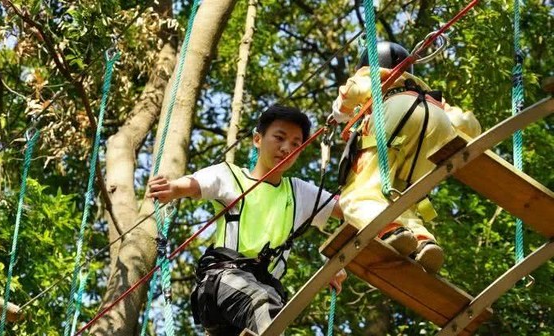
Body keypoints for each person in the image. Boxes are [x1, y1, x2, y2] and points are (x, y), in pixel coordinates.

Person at [147, 105, 347, 335]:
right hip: (222, 284)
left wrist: (340, 260)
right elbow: (195, 184)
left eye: (295, 144)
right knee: (263, 303)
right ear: (257, 139)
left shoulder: (298, 192)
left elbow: (348, 208)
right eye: (279, 138)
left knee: (270, 305)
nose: (286, 149)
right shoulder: (231, 177)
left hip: (260, 294)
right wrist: (172, 188)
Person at [332, 41, 481, 274]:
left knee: (358, 195)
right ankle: (423, 240)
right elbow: (468, 124)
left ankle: (389, 228)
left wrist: (339, 112)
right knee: (405, 198)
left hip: (395, 113)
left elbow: (351, 92)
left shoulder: (377, 77)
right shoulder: (427, 92)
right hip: (437, 121)